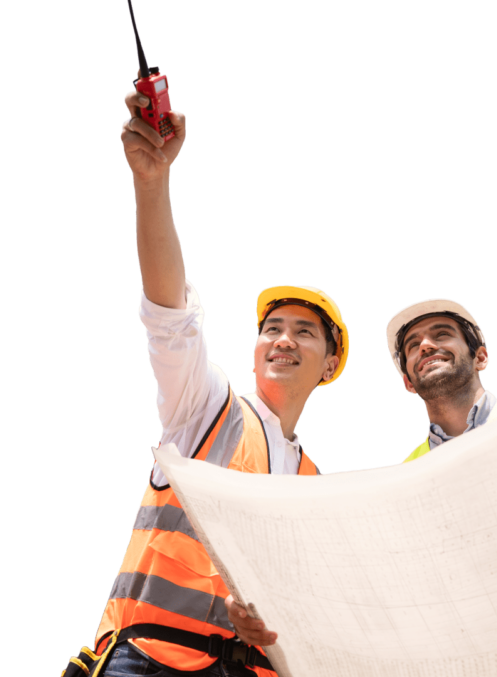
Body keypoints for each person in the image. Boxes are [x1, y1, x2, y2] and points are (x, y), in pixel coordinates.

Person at [65, 86, 349, 677]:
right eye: (273, 327)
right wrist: (151, 182)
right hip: (147, 658)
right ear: (253, 348)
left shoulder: (314, 486)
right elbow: (170, 314)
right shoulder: (207, 406)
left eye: (304, 332)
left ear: (329, 365)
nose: (284, 340)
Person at [226, 298, 497, 649]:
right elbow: (371, 591)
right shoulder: (408, 475)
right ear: (407, 381)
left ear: (480, 356)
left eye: (441, 334)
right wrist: (269, 607)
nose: (425, 345)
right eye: (412, 344)